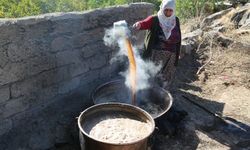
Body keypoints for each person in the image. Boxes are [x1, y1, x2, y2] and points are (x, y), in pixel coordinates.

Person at [133, 0, 181, 89]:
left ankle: (163, 94)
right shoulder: (155, 19)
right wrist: (139, 24)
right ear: (162, 8)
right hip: (157, 54)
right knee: (153, 75)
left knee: (166, 76)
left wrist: (178, 52)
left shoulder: (175, 20)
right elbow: (145, 23)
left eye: (171, 10)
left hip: (171, 55)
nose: (168, 12)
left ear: (173, 10)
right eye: (166, 10)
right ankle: (149, 93)